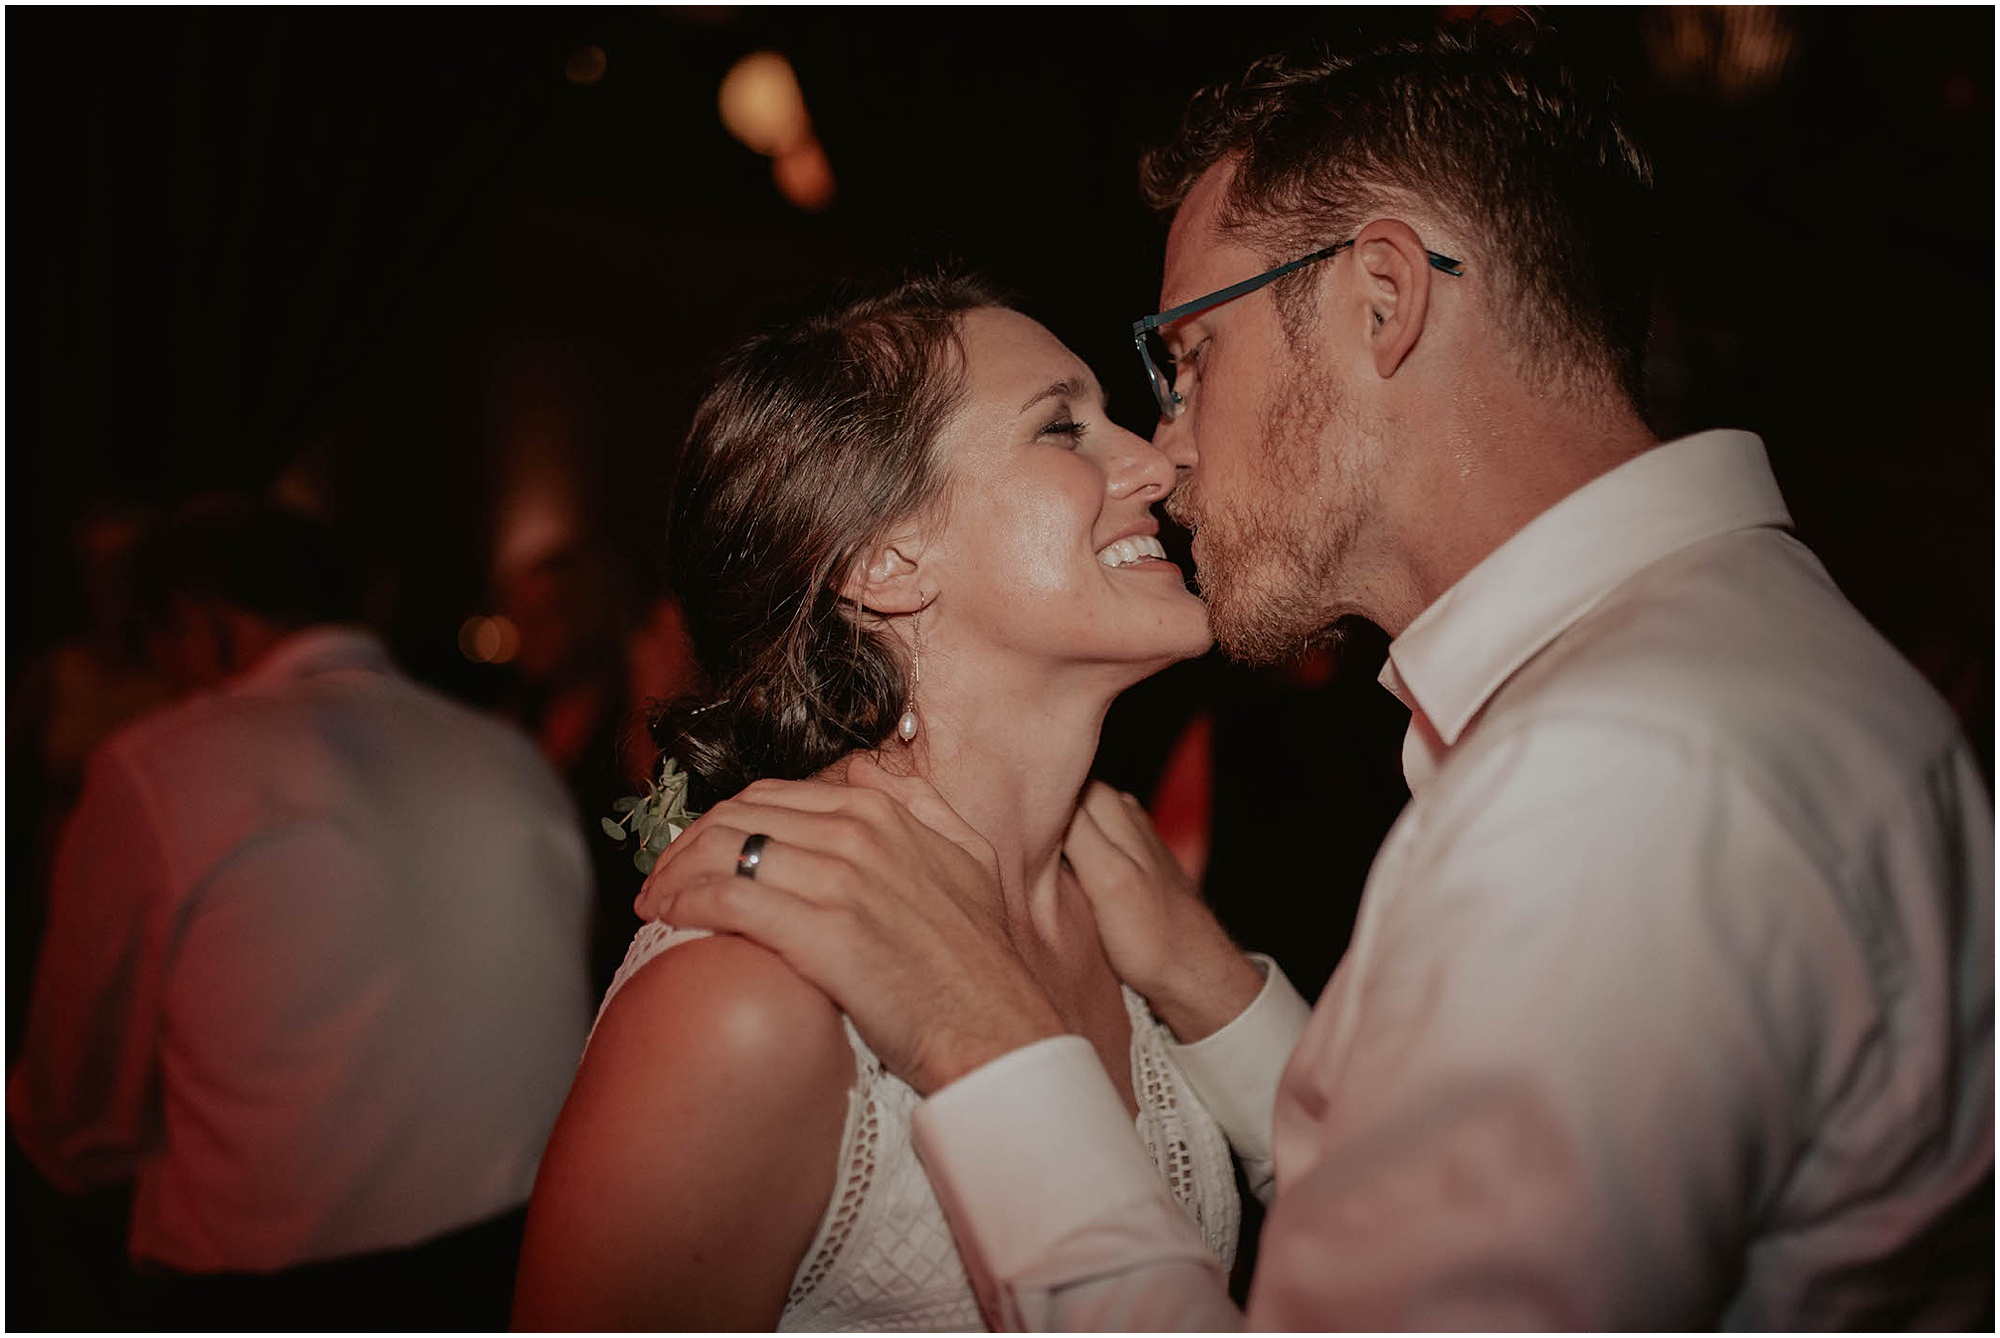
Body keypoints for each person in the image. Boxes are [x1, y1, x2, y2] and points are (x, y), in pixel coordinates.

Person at [639, 26, 1995, 1330]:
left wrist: (976, 1035)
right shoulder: (1716, 651)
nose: (1168, 450)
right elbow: (1443, 1206)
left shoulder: (1625, 765)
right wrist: (1218, 989)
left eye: (1187, 355)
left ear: (1383, 298)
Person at [509, 273, 1253, 1330]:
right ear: (884, 560)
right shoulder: (747, 1005)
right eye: (1060, 427)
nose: (1151, 458)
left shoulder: (1127, 915)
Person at [9, 498, 596, 1331]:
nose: (159, 670)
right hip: (512, 1267)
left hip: (276, 1295)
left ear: (208, 623)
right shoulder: (508, 753)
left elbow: (73, 1112)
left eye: (158, 640)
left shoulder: (157, 766)